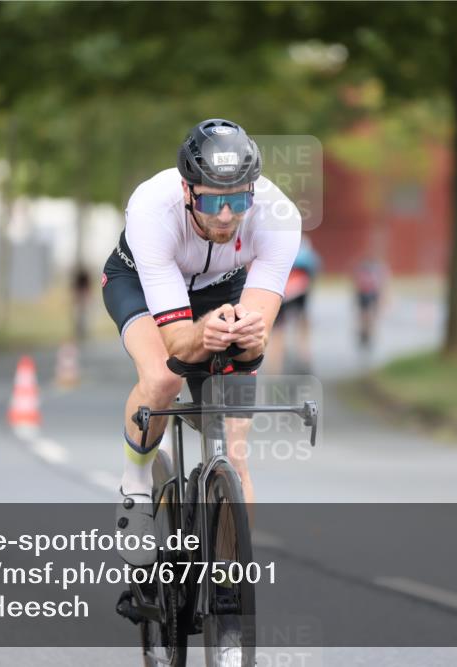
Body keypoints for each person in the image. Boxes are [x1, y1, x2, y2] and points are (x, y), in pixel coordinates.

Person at [100, 119, 301, 566]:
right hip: (139, 280)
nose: (226, 215)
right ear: (189, 190)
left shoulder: (279, 215)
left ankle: (231, 582)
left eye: (237, 200)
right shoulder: (153, 207)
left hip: (223, 287)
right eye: (212, 200)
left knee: (235, 446)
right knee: (162, 380)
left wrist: (246, 335)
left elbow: (256, 339)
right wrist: (203, 335)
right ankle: (135, 480)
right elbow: (177, 345)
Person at [267, 234, 320, 374]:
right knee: (303, 322)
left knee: (278, 330)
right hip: (300, 287)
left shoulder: (274, 241)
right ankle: (305, 356)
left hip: (281, 290)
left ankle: (274, 371)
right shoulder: (303, 241)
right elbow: (313, 268)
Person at [353, 255, 388, 350]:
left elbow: (356, 282)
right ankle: (366, 333)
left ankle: (366, 333)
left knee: (366, 314)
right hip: (369, 293)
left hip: (366, 293)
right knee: (368, 315)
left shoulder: (365, 268)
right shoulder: (375, 269)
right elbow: (382, 283)